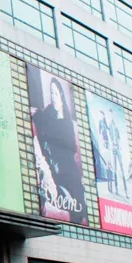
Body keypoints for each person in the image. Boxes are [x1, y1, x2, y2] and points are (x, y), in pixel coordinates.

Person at [32, 76, 87, 225]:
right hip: (55, 167)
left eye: (56, 93)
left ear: (61, 95)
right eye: (52, 93)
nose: (54, 97)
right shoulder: (47, 114)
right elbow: (38, 118)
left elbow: (72, 147)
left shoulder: (67, 120)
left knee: (79, 200)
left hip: (69, 168)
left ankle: (78, 217)